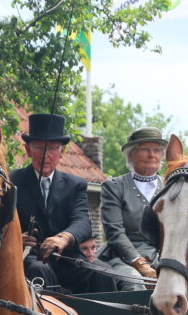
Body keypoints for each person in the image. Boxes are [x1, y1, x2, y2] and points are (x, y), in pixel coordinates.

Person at [10, 113, 115, 294]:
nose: (45, 155)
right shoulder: (12, 182)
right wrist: (14, 239)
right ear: (27, 150)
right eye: (39, 148)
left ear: (62, 152)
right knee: (39, 271)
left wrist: (64, 238)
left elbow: (83, 222)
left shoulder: (76, 185)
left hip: (66, 258)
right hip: (28, 259)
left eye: (52, 149)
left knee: (102, 273)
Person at [98, 126, 165, 290]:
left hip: (162, 257)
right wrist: (140, 263)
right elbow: (115, 233)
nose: (152, 155)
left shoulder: (171, 186)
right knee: (135, 283)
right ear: (131, 154)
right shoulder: (114, 186)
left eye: (157, 150)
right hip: (123, 258)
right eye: (145, 149)